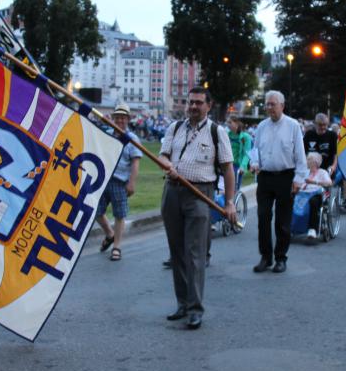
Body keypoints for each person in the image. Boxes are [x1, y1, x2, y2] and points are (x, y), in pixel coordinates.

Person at [159, 87, 237, 330]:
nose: (193, 106)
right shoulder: (175, 128)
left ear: (208, 105)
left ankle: (195, 309)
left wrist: (230, 202)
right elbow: (162, 155)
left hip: (200, 194)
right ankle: (182, 303)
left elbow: (227, 169)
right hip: (172, 191)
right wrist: (168, 165)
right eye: (190, 102)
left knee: (195, 253)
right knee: (177, 252)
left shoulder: (217, 132)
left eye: (198, 103)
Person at [249, 90, 308, 274]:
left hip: (285, 176)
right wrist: (254, 163)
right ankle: (265, 257)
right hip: (265, 177)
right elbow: (255, 151)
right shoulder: (261, 127)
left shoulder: (292, 126)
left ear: (282, 105)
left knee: (283, 221)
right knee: (263, 218)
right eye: (267, 104)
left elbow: (300, 155)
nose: (269, 108)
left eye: (272, 104)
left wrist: (299, 179)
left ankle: (281, 258)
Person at [95, 103, 142, 262]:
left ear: (128, 119)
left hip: (120, 181)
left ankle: (116, 246)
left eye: (123, 117)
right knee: (96, 211)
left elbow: (136, 162)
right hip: (103, 179)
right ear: (113, 119)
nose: (120, 120)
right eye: (117, 117)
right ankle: (109, 234)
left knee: (119, 215)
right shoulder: (107, 133)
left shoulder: (132, 139)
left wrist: (131, 183)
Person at [300, 152, 333, 239]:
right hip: (303, 194)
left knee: (313, 202)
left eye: (308, 159)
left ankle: (312, 229)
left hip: (316, 194)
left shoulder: (322, 172)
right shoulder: (305, 172)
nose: (306, 161)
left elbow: (329, 183)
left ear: (315, 162)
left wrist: (314, 182)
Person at [226, 115, 252, 189]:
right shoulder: (227, 135)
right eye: (227, 122)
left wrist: (243, 166)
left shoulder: (245, 137)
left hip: (238, 166)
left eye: (230, 122)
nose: (228, 125)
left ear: (236, 123)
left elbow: (247, 153)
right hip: (228, 164)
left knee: (234, 187)